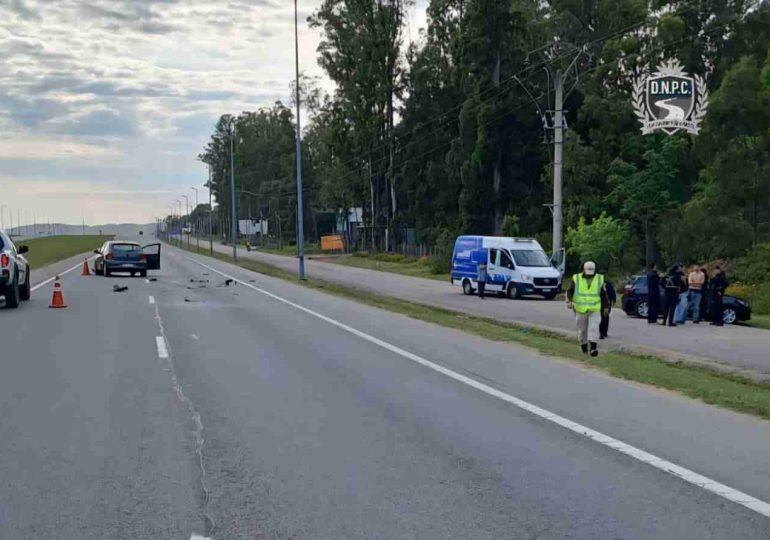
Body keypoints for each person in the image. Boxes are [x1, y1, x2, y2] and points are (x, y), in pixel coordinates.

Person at [566, 261, 608, 357]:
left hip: (594, 309)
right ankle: (583, 346)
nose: (589, 275)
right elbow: (569, 291)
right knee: (583, 330)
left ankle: (593, 348)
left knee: (594, 328)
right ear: (584, 270)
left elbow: (603, 294)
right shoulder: (576, 278)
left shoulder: (600, 279)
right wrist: (569, 301)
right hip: (580, 309)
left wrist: (606, 306)